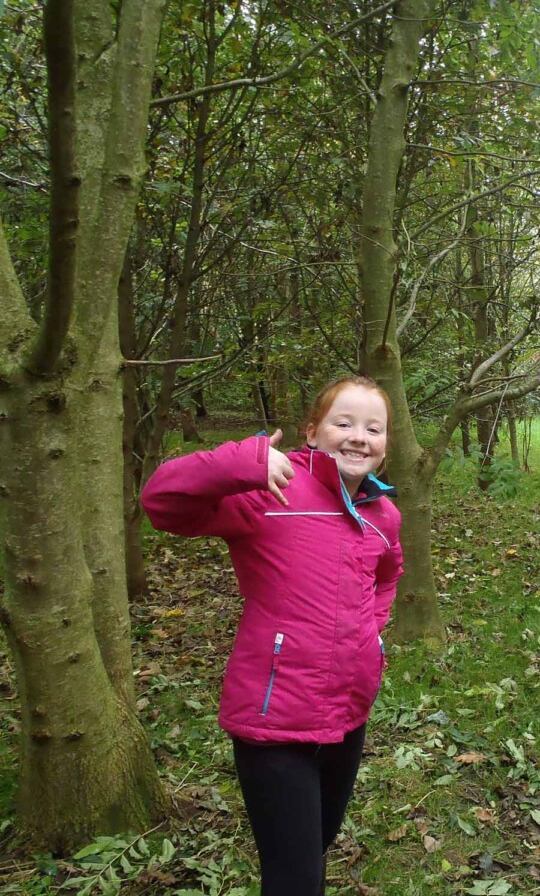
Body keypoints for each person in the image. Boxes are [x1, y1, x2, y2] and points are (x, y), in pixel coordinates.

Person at [141, 376, 404, 895]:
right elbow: (161, 502)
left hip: (349, 716)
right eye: (343, 423)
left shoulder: (383, 515)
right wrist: (242, 462)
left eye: (374, 428)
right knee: (295, 879)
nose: (359, 437)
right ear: (312, 431)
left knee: (315, 847)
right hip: (274, 722)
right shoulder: (269, 491)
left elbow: (388, 575)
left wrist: (370, 636)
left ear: (385, 444)